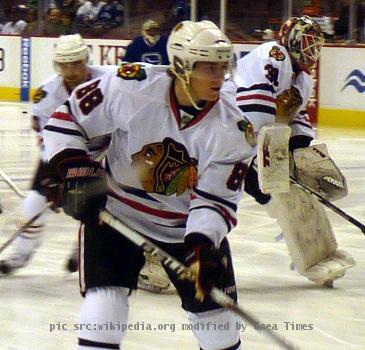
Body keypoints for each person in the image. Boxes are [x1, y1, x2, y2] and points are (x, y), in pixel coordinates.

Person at [43, 20, 255, 350]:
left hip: (181, 229)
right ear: (182, 66)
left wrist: (202, 246)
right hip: (116, 212)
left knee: (219, 328)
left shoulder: (235, 129)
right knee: (105, 309)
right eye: (207, 67)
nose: (218, 76)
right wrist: (73, 169)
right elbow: (67, 119)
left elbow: (214, 200)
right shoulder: (131, 85)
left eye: (222, 67)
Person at [234, 15, 354, 286]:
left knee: (288, 195)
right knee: (218, 197)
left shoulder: (302, 79)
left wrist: (300, 155)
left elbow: (296, 120)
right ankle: (165, 249)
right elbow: (257, 111)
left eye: (317, 46)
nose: (314, 52)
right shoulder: (274, 55)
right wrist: (272, 152)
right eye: (309, 44)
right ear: (292, 40)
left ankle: (314, 254)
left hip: (253, 137)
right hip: (232, 133)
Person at [0, 34, 113, 276]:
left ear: (86, 60)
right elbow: (45, 138)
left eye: (76, 63)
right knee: (32, 204)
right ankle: (21, 253)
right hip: (61, 155)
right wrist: (60, 175)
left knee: (100, 207)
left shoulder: (110, 80)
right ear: (57, 65)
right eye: (65, 64)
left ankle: (83, 249)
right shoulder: (47, 95)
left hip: (107, 152)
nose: (71, 71)